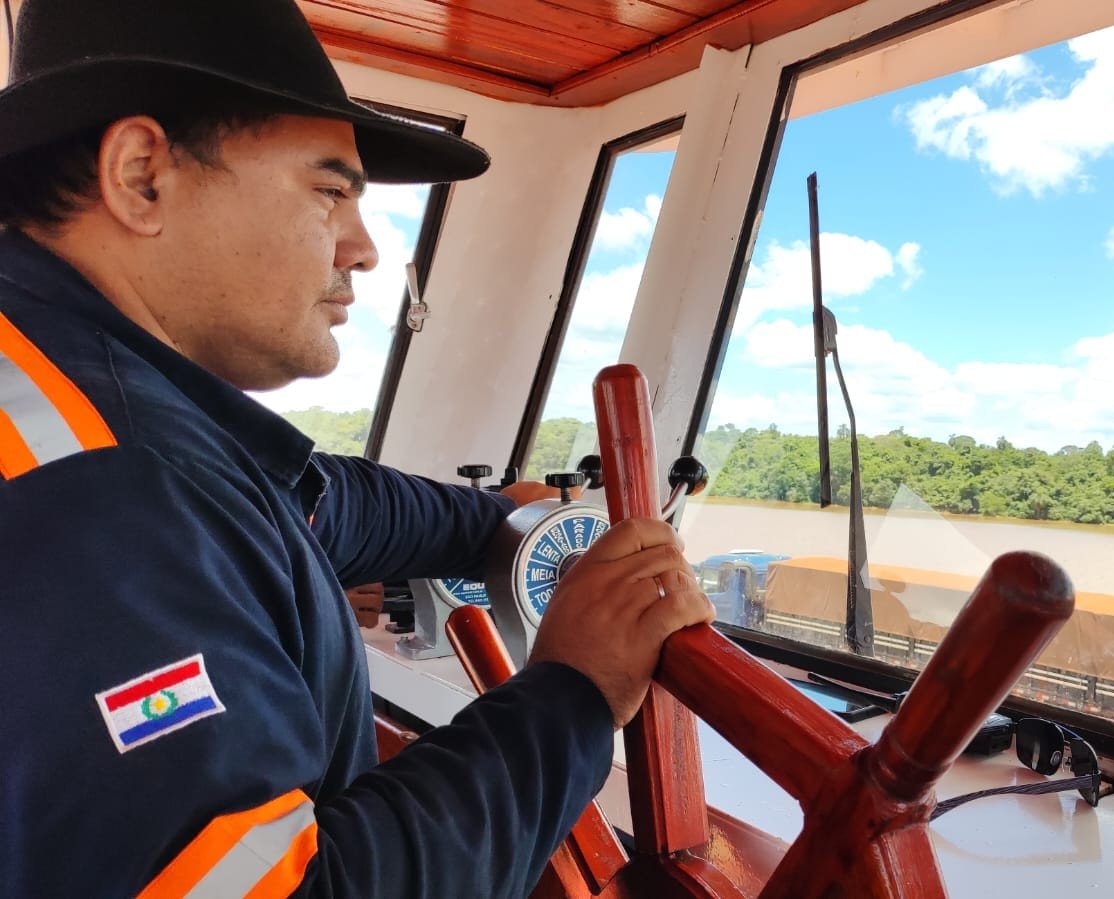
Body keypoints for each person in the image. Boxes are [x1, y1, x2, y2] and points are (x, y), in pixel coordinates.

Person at [0, 1, 714, 896]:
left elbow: (310, 505)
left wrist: (502, 522)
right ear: (143, 176)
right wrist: (574, 691)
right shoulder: (99, 493)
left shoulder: (71, 384)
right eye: (330, 191)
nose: (365, 249)